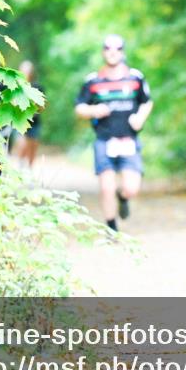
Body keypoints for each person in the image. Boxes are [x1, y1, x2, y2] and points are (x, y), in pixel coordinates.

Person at [74, 35, 153, 232]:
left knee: (131, 188)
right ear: (103, 52)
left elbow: (147, 101)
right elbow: (79, 107)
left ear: (123, 53)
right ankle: (111, 229)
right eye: (108, 48)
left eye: (117, 49)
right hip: (104, 140)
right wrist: (93, 111)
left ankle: (124, 198)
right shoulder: (93, 80)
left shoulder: (135, 77)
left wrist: (140, 118)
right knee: (106, 187)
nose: (112, 52)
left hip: (129, 140)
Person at [13, 60, 43, 168]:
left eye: (27, 70)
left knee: (33, 146)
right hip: (20, 121)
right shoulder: (15, 87)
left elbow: (42, 106)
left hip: (34, 122)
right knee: (21, 144)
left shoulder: (37, 87)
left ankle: (29, 169)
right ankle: (21, 167)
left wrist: (33, 110)